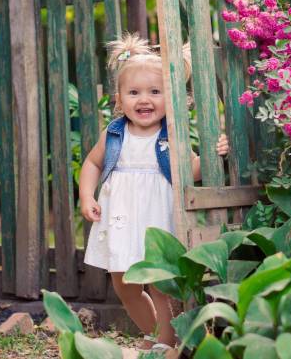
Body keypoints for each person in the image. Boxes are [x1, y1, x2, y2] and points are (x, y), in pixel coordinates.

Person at [79, 34, 229, 351]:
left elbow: (192, 170)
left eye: (155, 92)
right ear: (119, 99)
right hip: (121, 216)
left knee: (160, 283)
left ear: (172, 98)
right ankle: (154, 333)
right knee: (124, 283)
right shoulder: (115, 133)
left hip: (155, 216)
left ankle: (166, 343)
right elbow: (92, 163)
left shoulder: (170, 135)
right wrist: (86, 196)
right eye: (134, 93)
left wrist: (216, 155)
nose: (144, 100)